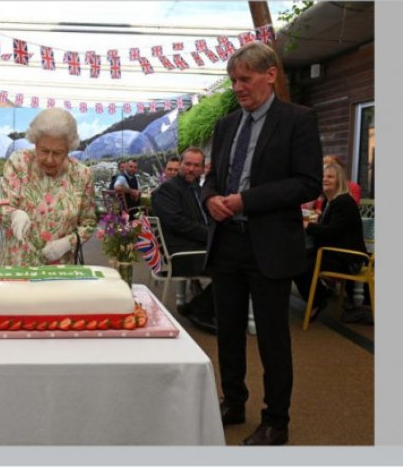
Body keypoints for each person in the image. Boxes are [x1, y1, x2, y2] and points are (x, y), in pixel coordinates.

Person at [201, 42, 322, 446]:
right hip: (227, 244)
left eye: (245, 79)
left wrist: (245, 201)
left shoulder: (298, 120)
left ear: (270, 75)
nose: (238, 87)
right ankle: (233, 402)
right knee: (229, 333)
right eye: (233, 80)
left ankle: (276, 421)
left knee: (273, 339)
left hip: (269, 245)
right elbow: (211, 179)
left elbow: (308, 183)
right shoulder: (225, 126)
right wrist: (211, 198)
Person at [0, 108, 96, 266]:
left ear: (69, 148)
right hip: (18, 263)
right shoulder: (19, 163)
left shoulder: (82, 175)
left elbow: (88, 223)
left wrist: (68, 243)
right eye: (44, 151)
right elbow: (2, 208)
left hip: (60, 267)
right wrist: (14, 215)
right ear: (35, 142)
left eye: (58, 153)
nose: (49, 159)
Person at [294, 162, 370, 323]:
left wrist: (307, 225)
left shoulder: (344, 202)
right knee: (298, 258)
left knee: (298, 263)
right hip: (336, 253)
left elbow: (332, 232)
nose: (325, 179)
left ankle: (318, 299)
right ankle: (320, 295)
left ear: (339, 180)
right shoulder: (331, 202)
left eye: (330, 176)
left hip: (348, 259)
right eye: (323, 176)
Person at [151, 147, 216, 334]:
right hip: (180, 255)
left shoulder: (197, 189)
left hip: (195, 247)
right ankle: (200, 308)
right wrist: (211, 235)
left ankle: (198, 305)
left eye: (196, 165)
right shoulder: (167, 190)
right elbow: (178, 224)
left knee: (236, 256)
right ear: (180, 165)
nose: (191, 169)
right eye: (187, 164)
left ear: (203, 169)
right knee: (232, 266)